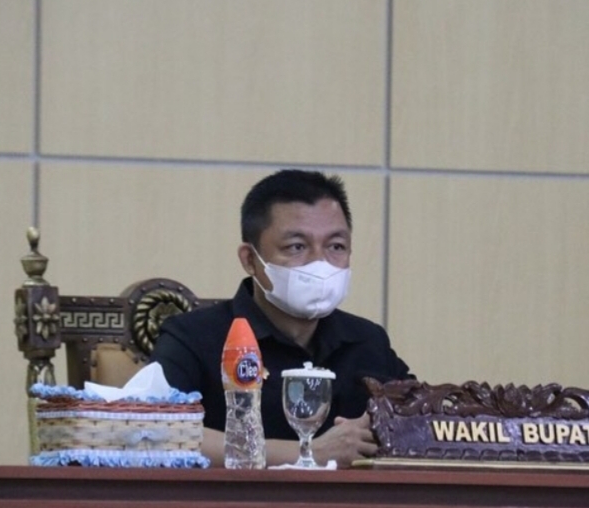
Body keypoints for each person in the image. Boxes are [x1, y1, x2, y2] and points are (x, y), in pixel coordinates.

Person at [152, 169, 412, 468]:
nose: (320, 263)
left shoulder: (368, 340)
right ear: (250, 260)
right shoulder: (192, 337)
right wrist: (309, 454)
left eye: (336, 246)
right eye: (297, 247)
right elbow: (154, 432)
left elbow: (423, 422)